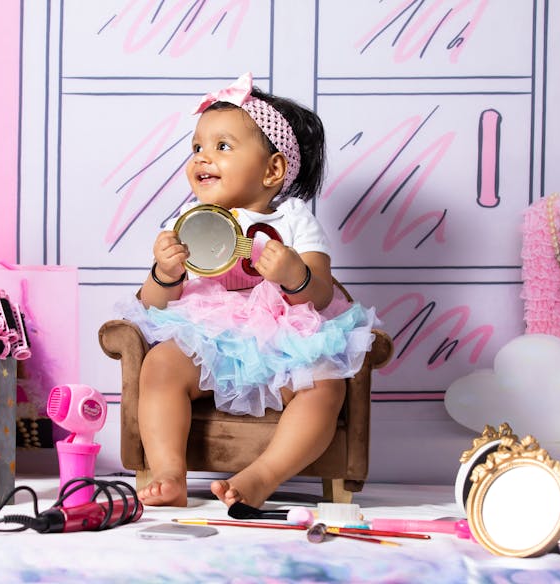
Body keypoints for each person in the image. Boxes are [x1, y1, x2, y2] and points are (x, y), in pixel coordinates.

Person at [117, 72, 378, 508]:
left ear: (273, 169)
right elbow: (152, 307)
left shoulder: (294, 220)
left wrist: (293, 271)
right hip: (207, 334)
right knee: (160, 366)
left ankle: (262, 475)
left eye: (222, 147)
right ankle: (168, 471)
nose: (203, 158)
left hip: (283, 336)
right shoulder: (189, 219)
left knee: (325, 386)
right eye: (197, 147)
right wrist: (165, 272)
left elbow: (320, 293)